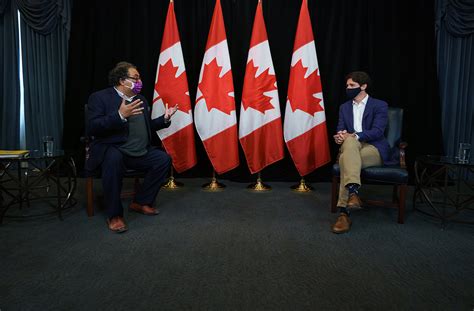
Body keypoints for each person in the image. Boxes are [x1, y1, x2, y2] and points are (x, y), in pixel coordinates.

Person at [86, 61, 177, 233]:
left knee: (163, 159)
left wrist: (163, 120)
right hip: (114, 149)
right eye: (135, 78)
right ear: (122, 80)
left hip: (139, 152)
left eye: (139, 78)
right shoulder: (99, 97)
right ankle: (114, 215)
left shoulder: (140, 99)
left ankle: (141, 202)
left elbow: (144, 127)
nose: (139, 81)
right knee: (113, 159)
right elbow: (93, 127)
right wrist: (120, 115)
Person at [331, 71, 394, 234]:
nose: (348, 88)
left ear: (363, 86)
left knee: (346, 158)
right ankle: (353, 194)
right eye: (347, 86)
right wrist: (339, 136)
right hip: (351, 146)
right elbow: (340, 129)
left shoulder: (379, 105)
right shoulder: (344, 107)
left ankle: (344, 214)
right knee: (349, 144)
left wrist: (353, 135)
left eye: (352, 85)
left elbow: (378, 131)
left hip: (373, 148)